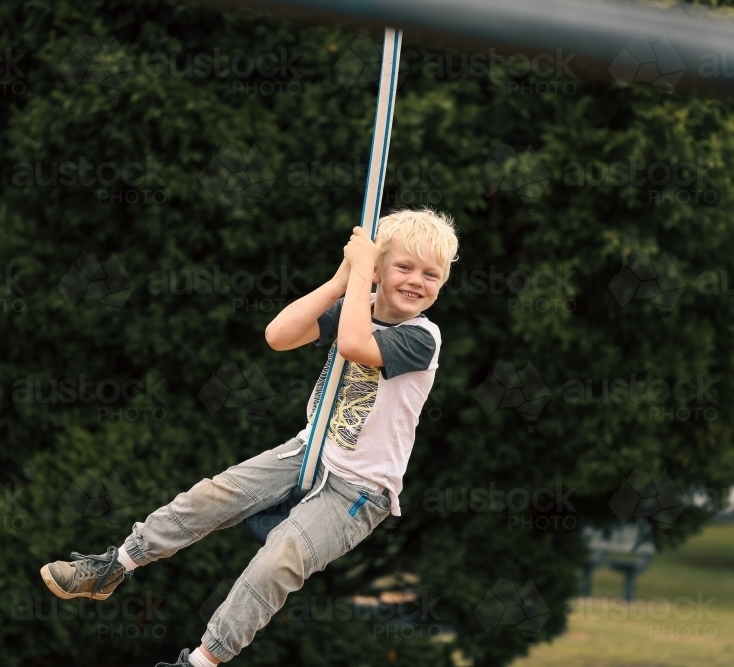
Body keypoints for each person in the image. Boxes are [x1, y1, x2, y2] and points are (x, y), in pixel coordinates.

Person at [39, 208, 459, 666]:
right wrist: (343, 279)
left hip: (358, 490)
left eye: (431, 274)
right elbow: (278, 335)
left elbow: (355, 345)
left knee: (278, 559)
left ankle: (201, 661)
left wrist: (362, 278)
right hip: (309, 449)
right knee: (213, 495)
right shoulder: (353, 306)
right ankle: (116, 565)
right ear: (379, 268)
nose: (417, 280)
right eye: (404, 267)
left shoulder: (423, 338)